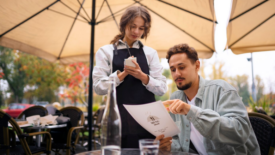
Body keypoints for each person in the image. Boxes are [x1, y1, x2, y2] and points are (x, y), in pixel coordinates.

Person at [158, 44, 260, 154]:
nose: (177, 74)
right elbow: (179, 143)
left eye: (181, 67)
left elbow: (240, 132)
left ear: (197, 66)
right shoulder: (175, 98)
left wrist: (191, 111)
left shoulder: (221, 89)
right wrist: (167, 147)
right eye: (173, 69)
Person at [92, 6, 167, 148]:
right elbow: (98, 87)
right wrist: (122, 75)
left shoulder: (151, 53)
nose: (136, 32)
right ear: (124, 24)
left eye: (141, 28)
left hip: (148, 120)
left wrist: (143, 77)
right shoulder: (105, 51)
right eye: (133, 26)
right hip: (118, 118)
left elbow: (162, 89)